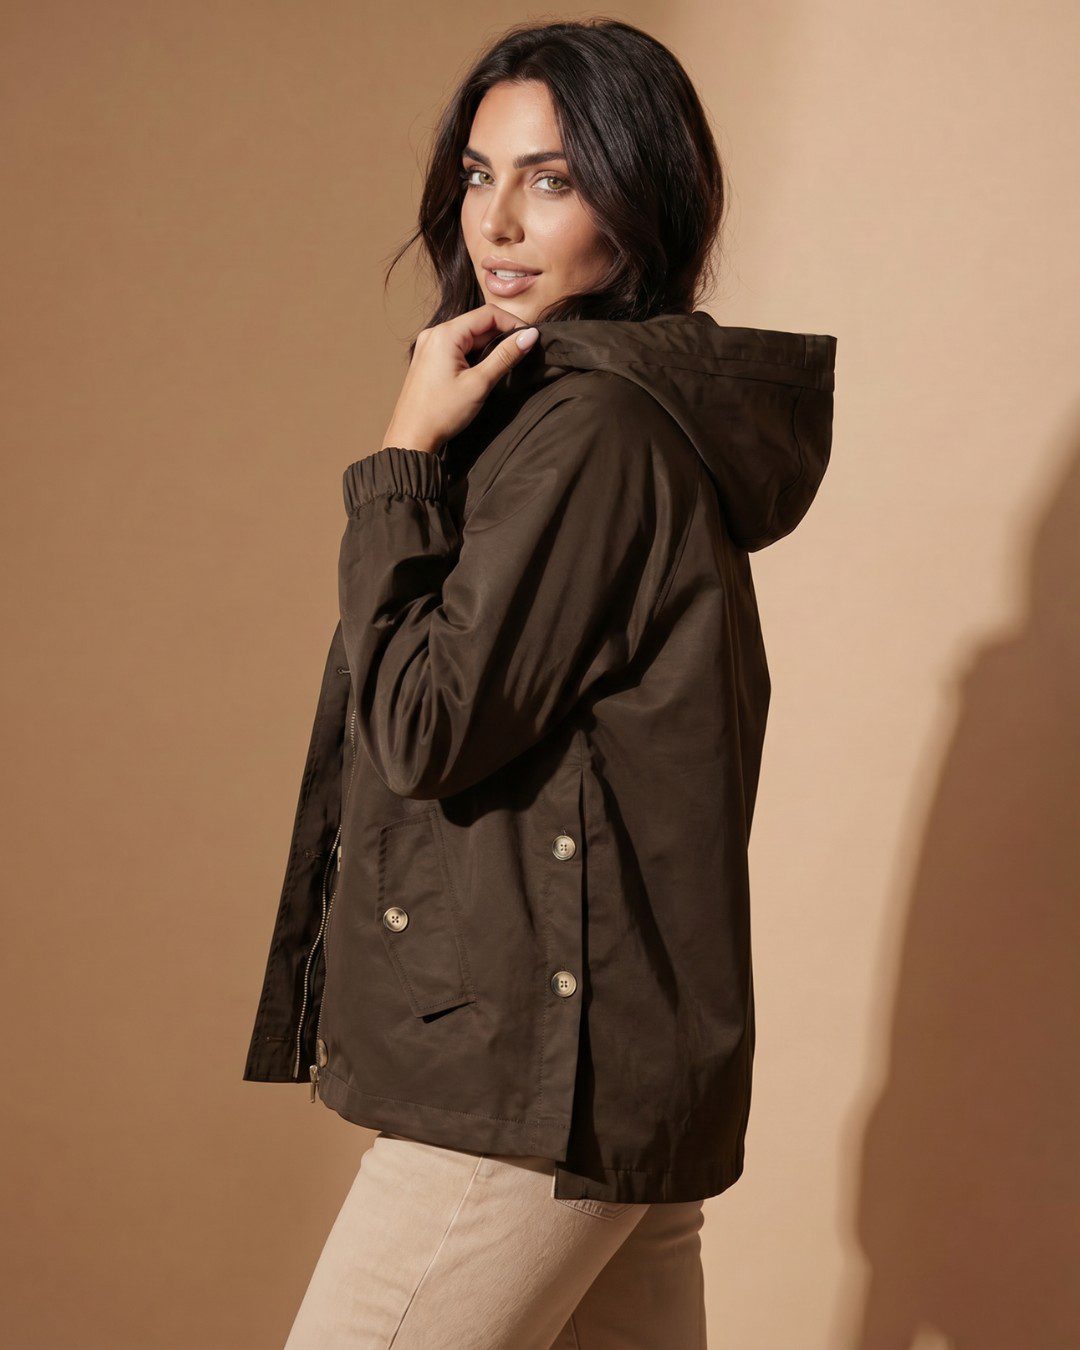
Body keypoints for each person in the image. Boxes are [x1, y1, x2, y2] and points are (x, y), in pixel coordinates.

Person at [243, 18, 837, 1349]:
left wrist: (401, 459)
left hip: (534, 1077)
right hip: (604, 1062)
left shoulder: (596, 431)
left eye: (552, 180)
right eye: (478, 175)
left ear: (641, 200)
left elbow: (422, 727)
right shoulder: (592, 417)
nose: (499, 223)